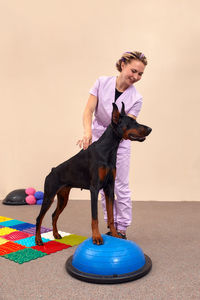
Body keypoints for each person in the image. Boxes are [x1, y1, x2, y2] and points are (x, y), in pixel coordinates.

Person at [77, 51, 148, 239]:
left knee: (120, 185)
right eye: (133, 71)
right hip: (98, 137)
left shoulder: (137, 98)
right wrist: (88, 132)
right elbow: (88, 110)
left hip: (120, 143)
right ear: (123, 64)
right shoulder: (101, 82)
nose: (136, 77)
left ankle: (122, 228)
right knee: (102, 184)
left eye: (140, 74)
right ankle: (111, 225)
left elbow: (125, 127)